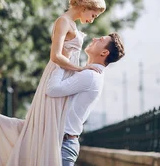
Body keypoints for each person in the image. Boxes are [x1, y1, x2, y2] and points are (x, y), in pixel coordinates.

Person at [0, 0, 106, 166]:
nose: (92, 20)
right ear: (85, 6)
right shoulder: (63, 21)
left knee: (47, 126)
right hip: (57, 73)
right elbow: (55, 56)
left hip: (63, 74)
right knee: (44, 124)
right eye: (93, 15)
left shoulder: (72, 25)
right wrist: (81, 68)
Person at [46, 32, 125, 166]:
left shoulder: (90, 76)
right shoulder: (90, 74)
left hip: (62, 145)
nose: (94, 38)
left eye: (100, 40)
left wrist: (62, 61)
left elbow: (52, 90)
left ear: (104, 52)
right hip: (62, 142)